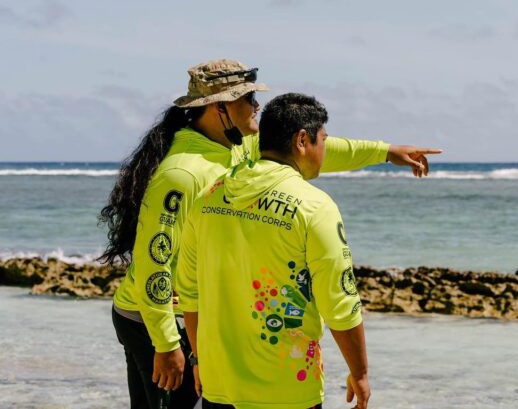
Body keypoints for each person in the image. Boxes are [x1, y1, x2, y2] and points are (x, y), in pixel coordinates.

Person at [99, 59, 440, 409]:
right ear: (220, 107)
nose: (257, 106)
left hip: (188, 314)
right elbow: (152, 260)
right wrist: (166, 344)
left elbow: (310, 148)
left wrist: (386, 152)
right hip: (152, 319)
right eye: (248, 99)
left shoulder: (237, 146)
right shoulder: (183, 173)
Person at [176, 93, 375, 409]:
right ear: (302, 140)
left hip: (218, 384)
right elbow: (340, 301)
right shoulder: (314, 206)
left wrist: (198, 360)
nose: (325, 150)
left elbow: (189, 291)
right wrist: (360, 373)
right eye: (323, 140)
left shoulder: (208, 197)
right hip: (287, 389)